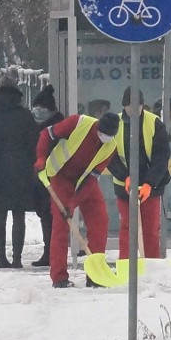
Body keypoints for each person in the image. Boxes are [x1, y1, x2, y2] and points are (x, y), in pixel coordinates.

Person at [35, 111, 120, 287]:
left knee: (100, 220)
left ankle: (95, 275)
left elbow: (91, 179)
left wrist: (73, 203)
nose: (106, 138)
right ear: (98, 127)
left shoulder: (110, 146)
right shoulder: (78, 123)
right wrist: (41, 158)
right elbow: (46, 134)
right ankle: (59, 277)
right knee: (61, 223)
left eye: (110, 136)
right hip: (60, 175)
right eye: (104, 133)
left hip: (85, 180)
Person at [0, 78, 37, 269]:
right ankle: (17, 258)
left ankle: (1, 257)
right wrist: (27, 160)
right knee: (18, 214)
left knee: (0, 213)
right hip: (21, 170)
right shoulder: (25, 116)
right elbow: (34, 142)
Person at [108, 87, 171, 260]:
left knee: (150, 229)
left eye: (138, 107)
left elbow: (162, 156)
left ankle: (150, 266)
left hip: (151, 186)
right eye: (130, 108)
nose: (135, 111)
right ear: (124, 106)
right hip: (124, 187)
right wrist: (124, 177)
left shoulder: (155, 123)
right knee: (128, 227)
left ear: (143, 105)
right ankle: (126, 266)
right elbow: (109, 156)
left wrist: (150, 183)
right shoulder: (116, 124)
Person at [29, 85, 65, 267]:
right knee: (45, 216)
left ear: (50, 110)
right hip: (42, 179)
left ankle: (54, 252)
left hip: (56, 178)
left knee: (54, 216)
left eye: (41, 109)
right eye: (35, 109)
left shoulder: (58, 128)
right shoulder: (38, 126)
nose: (36, 113)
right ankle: (48, 251)